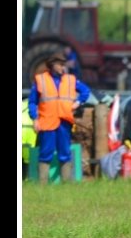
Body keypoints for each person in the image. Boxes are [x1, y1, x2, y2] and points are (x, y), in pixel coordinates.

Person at [28, 53, 90, 184]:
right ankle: (42, 185)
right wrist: (35, 119)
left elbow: (85, 91)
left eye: (64, 65)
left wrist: (78, 102)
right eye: (61, 65)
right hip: (47, 122)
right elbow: (32, 102)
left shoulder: (70, 79)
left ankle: (66, 183)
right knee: (45, 153)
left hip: (64, 122)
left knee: (65, 152)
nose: (63, 67)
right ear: (52, 65)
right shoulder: (40, 80)